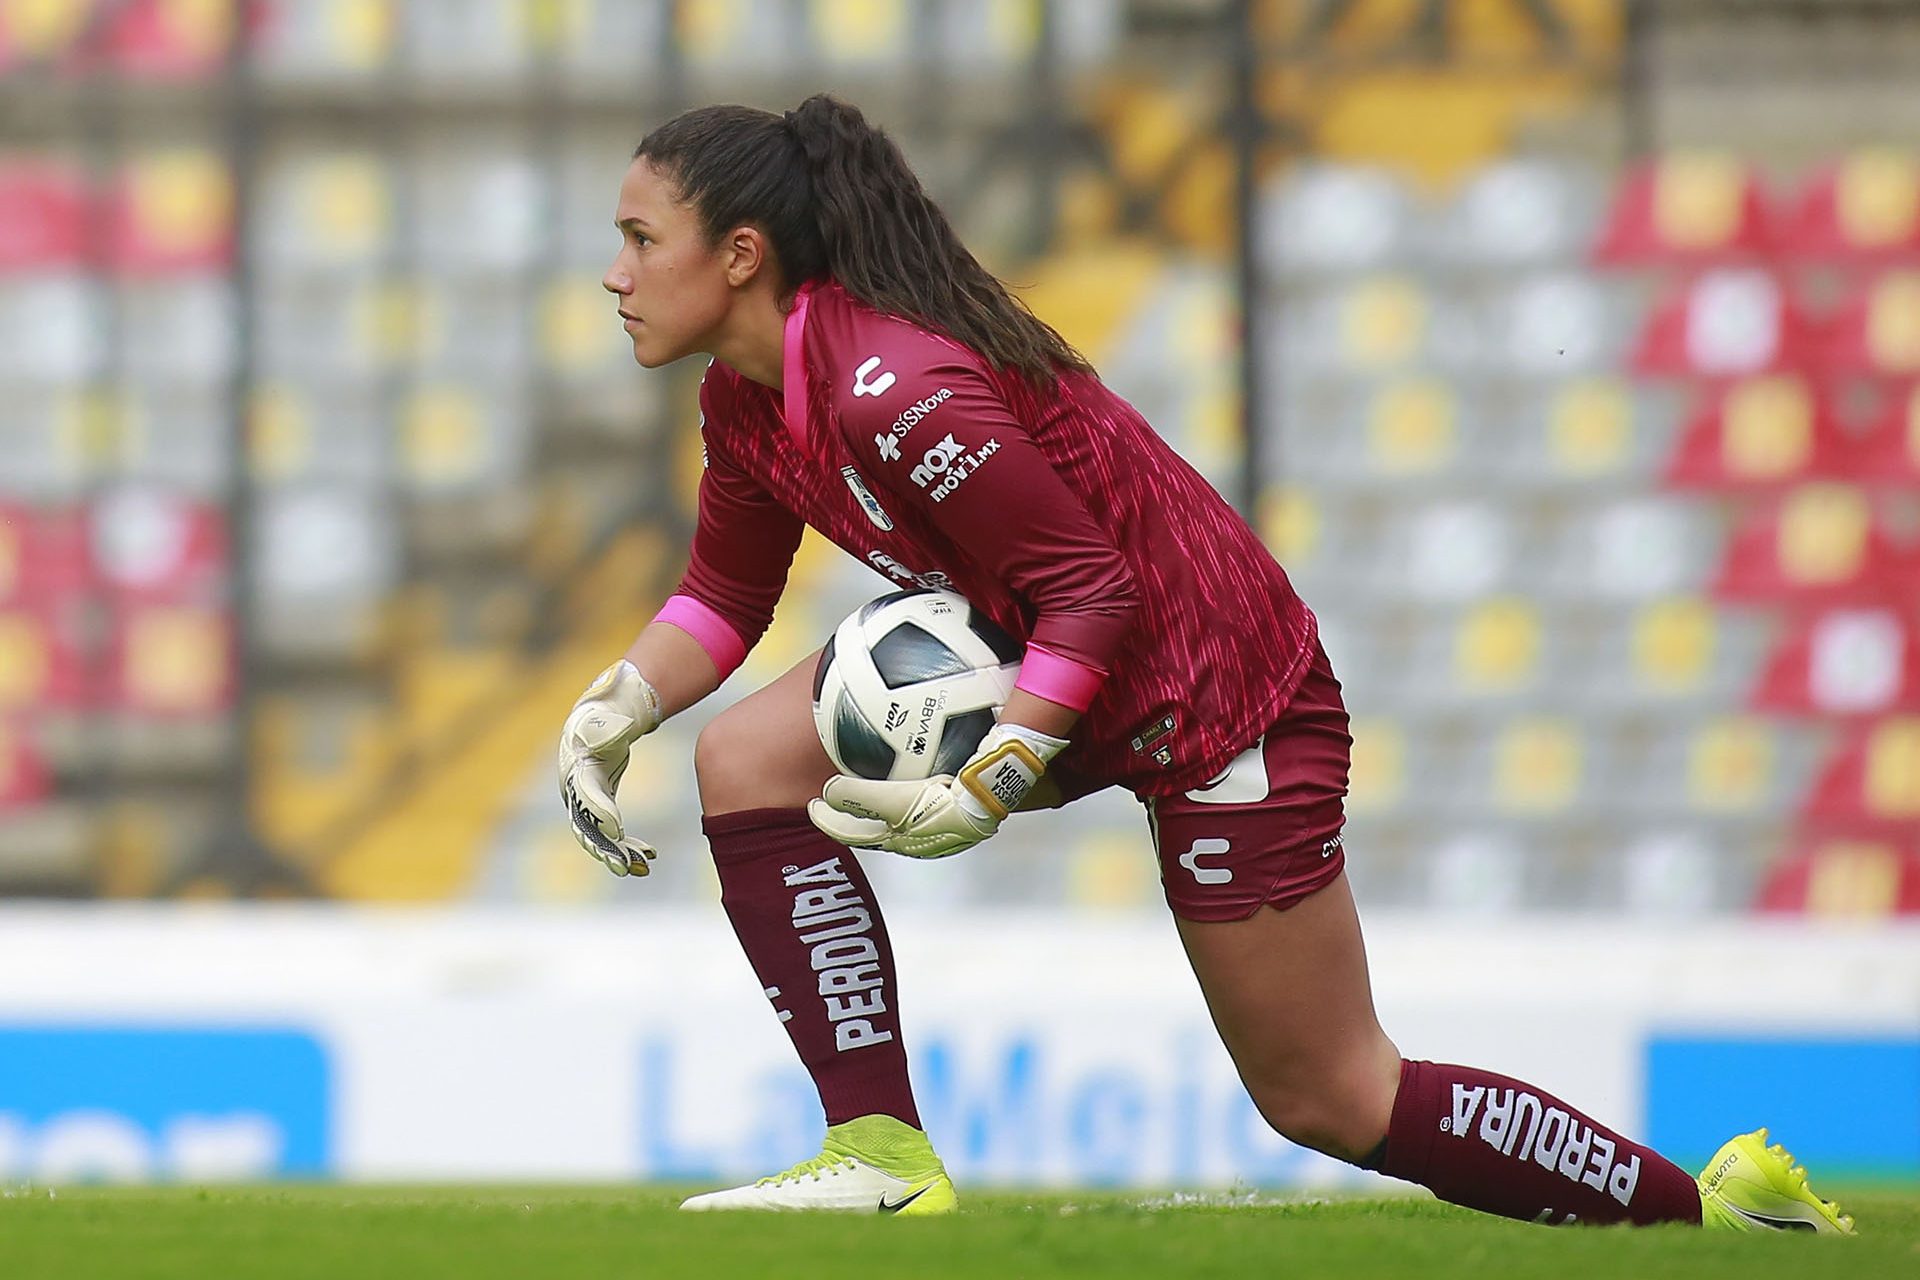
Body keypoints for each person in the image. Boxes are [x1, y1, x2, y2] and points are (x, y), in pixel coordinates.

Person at [556, 94, 1852, 1231]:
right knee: (741, 757)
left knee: (1334, 1100)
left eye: (637, 239)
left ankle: (1711, 1211)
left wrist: (997, 775)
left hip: (1217, 695)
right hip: (1066, 661)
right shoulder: (747, 398)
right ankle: (877, 1152)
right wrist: (619, 708)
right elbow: (726, 594)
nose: (614, 273)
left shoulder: (897, 385)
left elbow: (1093, 585)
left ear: (739, 255)